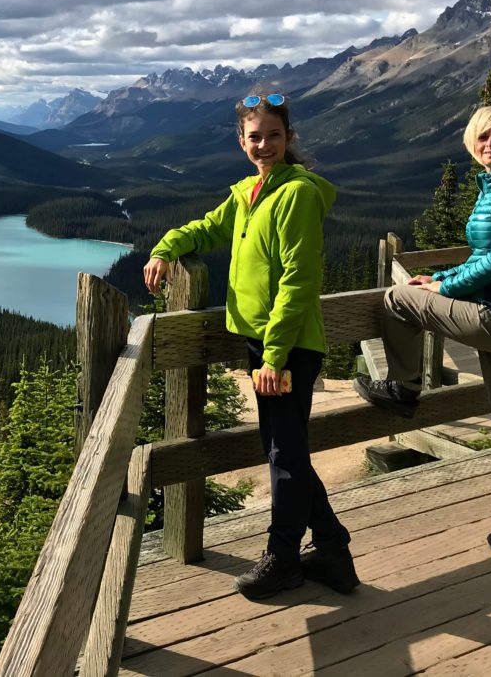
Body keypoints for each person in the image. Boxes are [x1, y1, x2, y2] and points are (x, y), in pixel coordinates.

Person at [144, 93, 358, 601]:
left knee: (284, 454)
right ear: (241, 142)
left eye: (274, 135)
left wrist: (276, 357)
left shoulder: (297, 195)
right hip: (262, 341)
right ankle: (331, 547)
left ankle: (283, 559)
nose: (264, 144)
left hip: (285, 346)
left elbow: (299, 280)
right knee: (286, 451)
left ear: (289, 139)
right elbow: (207, 228)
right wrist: (164, 248)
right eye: (255, 136)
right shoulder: (248, 193)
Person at [354, 104, 491, 564]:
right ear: (472, 142)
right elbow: (481, 255)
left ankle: (402, 386)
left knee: (395, 300)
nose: (490, 144)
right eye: (483, 137)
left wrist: (443, 287)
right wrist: (440, 279)